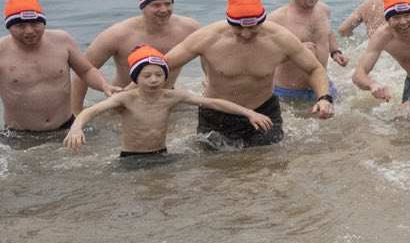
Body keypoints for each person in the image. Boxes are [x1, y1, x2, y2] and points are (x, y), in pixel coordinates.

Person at [166, 0, 335, 147]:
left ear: (262, 21)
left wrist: (324, 98)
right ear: (229, 22)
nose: (246, 34)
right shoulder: (207, 38)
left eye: (253, 28)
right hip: (217, 114)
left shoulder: (279, 38)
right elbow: (165, 65)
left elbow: (314, 68)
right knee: (214, 170)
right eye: (238, 28)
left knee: (271, 166)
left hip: (264, 111)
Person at [65, 45, 272, 158]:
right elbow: (92, 111)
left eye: (158, 74)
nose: (154, 80)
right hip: (131, 157)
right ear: (135, 79)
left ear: (165, 76)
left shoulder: (171, 97)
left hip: (162, 155)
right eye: (147, 76)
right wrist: (76, 127)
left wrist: (249, 113)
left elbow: (214, 103)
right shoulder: (126, 99)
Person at [70, 0, 204, 114]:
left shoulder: (189, 28)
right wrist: (76, 115)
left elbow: (210, 52)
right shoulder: (118, 35)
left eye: (168, 4)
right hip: (125, 104)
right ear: (142, 7)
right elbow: (82, 73)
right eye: (156, 5)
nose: (164, 10)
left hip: (166, 100)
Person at [2, 0, 112, 143]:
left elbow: (86, 71)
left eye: (35, 24)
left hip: (67, 127)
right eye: (20, 26)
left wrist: (104, 86)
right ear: (9, 27)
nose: (29, 31)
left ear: (43, 23)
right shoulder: (2, 51)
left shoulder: (62, 40)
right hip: (20, 135)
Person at [267, 0, 349, 108]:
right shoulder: (277, 18)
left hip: (323, 87)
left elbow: (328, 33)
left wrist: (335, 51)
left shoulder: (323, 9)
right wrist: (295, 50)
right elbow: (265, 58)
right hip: (288, 92)